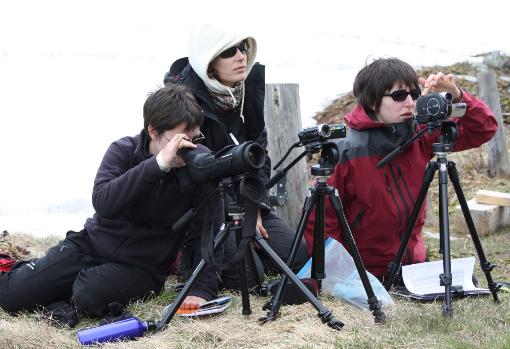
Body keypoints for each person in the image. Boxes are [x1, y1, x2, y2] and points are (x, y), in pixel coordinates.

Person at [0, 85, 224, 325]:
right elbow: (103, 202)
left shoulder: (200, 163)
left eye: (194, 138)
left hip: (142, 266)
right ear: (153, 131)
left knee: (89, 295)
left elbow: (209, 228)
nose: (188, 147)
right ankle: (52, 286)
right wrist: (157, 165)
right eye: (180, 139)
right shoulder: (123, 150)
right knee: (11, 296)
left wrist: (202, 290)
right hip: (91, 245)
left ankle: (68, 293)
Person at [303, 57, 498, 281]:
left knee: (467, 281)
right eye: (398, 96)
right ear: (373, 101)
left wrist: (457, 95)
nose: (409, 102)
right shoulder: (345, 150)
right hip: (366, 272)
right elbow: (321, 221)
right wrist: (343, 277)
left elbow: (484, 129)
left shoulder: (419, 134)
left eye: (414, 95)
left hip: (413, 265)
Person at [164, 24, 308, 289]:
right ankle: (183, 256)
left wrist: (255, 209)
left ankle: (246, 245)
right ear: (208, 60)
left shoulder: (247, 91)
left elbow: (260, 157)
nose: (241, 56)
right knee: (249, 277)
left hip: (247, 198)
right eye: (229, 51)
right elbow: (193, 172)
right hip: (206, 207)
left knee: (297, 255)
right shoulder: (183, 101)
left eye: (243, 48)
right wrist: (238, 214)